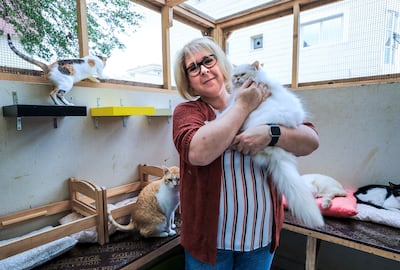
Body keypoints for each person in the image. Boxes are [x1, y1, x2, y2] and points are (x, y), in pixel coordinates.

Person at [172, 37, 319, 270]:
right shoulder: (188, 111)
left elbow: (311, 141)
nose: (203, 70)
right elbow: (198, 152)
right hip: (211, 244)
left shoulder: (263, 93)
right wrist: (243, 106)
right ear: (188, 83)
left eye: (207, 61)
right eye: (193, 68)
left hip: (259, 238)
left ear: (221, 64)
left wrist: (271, 133)